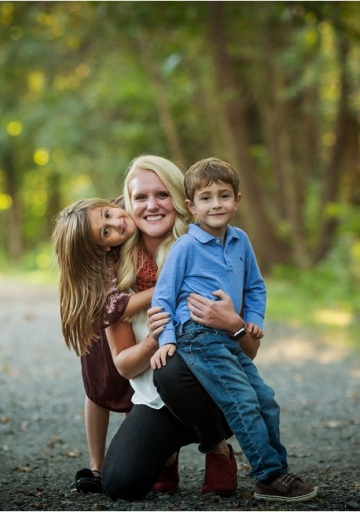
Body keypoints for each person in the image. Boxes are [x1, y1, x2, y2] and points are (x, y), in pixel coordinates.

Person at [150, 157, 318, 503]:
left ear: (237, 200)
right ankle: (268, 475)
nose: (216, 204)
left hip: (228, 337)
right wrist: (166, 339)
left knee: (266, 401)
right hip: (197, 337)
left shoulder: (241, 241)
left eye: (224, 196)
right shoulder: (185, 247)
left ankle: (279, 471)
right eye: (206, 197)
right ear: (191, 206)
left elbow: (256, 287)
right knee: (241, 401)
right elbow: (163, 299)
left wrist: (252, 319)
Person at [99, 155, 259, 501]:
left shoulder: (208, 247)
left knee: (172, 370)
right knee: (120, 485)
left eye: (162, 194)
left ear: (180, 199)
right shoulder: (117, 269)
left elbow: (250, 351)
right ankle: (168, 451)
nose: (151, 205)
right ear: (129, 204)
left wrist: (233, 324)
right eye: (141, 197)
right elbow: (124, 365)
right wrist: (152, 341)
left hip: (215, 392)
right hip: (156, 399)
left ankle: (216, 448)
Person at [51, 197, 153, 493]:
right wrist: (163, 289)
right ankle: (96, 465)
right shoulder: (102, 264)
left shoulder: (129, 204)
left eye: (108, 214)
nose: (116, 222)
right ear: (103, 247)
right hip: (101, 332)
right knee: (99, 390)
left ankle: (131, 454)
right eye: (106, 231)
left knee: (134, 390)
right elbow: (113, 308)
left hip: (129, 327)